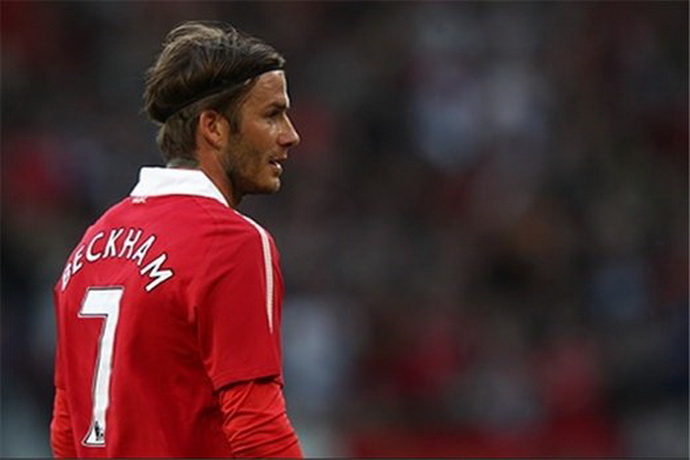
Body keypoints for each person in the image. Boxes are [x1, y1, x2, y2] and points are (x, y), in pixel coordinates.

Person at [50, 21, 302, 458]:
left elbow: (66, 427)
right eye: (271, 114)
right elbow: (257, 425)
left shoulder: (90, 245)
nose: (290, 135)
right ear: (213, 127)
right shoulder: (231, 241)